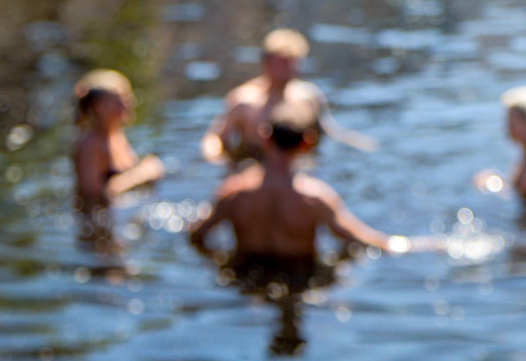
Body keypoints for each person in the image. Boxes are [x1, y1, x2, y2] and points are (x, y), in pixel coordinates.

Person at [188, 100, 400, 281]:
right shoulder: (315, 199)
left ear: (265, 137)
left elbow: (197, 235)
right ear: (307, 143)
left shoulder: (233, 192)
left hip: (245, 278)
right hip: (300, 279)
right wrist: (423, 245)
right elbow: (364, 240)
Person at [201, 28, 374, 164]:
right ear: (267, 63)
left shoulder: (309, 97)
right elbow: (215, 137)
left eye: (293, 61)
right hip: (252, 168)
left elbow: (329, 132)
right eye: (282, 62)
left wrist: (361, 145)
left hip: (296, 168)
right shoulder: (244, 101)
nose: (288, 68)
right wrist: (216, 159)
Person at [72, 69, 165, 211]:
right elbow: (93, 193)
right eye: (118, 102)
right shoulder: (90, 145)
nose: (127, 106)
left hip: (122, 215)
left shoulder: (117, 134)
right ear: (99, 107)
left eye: (127, 99)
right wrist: (142, 174)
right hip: (99, 228)